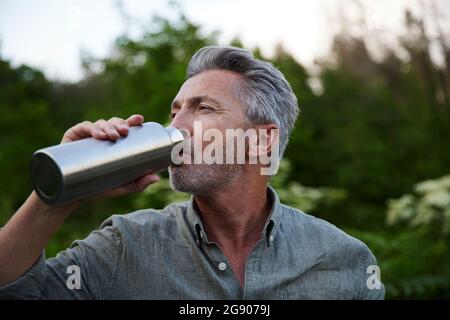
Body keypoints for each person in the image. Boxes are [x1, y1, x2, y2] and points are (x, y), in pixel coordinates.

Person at [0, 46, 384, 299]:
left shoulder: (345, 262)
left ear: (263, 140)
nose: (177, 126)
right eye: (174, 111)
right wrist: (60, 193)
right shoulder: (124, 248)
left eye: (203, 109)